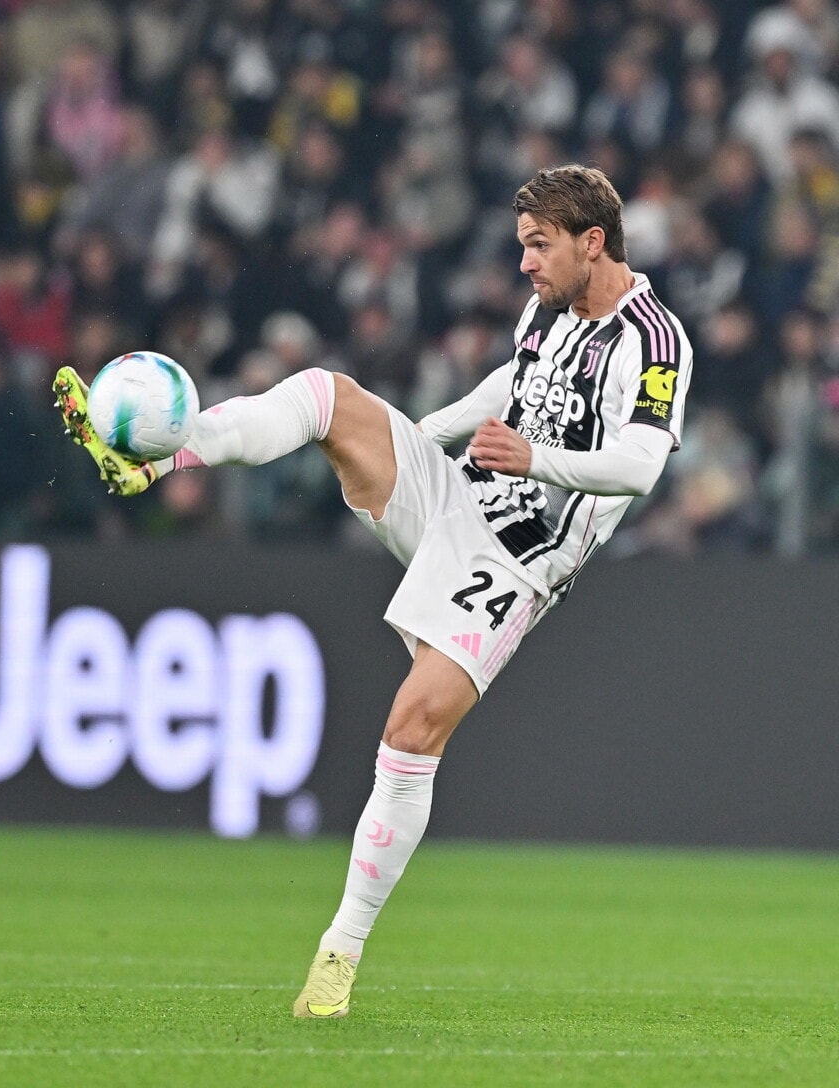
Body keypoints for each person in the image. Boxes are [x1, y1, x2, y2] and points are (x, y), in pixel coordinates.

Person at [53, 165, 691, 1018]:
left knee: (411, 727)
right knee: (327, 396)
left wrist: (534, 458)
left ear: (593, 242)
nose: (525, 264)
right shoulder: (549, 307)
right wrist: (425, 435)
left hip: (520, 559)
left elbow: (642, 466)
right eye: (522, 247)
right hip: (461, 494)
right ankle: (163, 456)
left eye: (539, 246)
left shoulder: (655, 340)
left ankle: (339, 955)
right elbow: (515, 384)